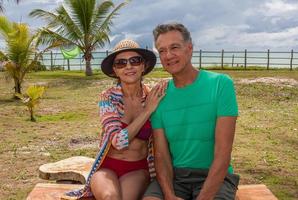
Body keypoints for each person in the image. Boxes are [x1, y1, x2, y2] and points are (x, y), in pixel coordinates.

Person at [143, 23, 240, 200]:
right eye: (162, 50)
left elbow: (223, 152)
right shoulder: (159, 96)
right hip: (175, 177)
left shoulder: (220, 84)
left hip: (214, 176)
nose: (168, 55)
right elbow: (161, 154)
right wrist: (169, 195)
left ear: (189, 48)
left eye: (174, 47)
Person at [62, 39, 166, 200]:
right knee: (109, 197)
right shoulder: (108, 97)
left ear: (143, 66)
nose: (129, 66)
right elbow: (118, 142)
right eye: (121, 63)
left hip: (137, 169)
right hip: (107, 167)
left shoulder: (152, 96)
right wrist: (147, 111)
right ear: (114, 71)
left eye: (135, 61)